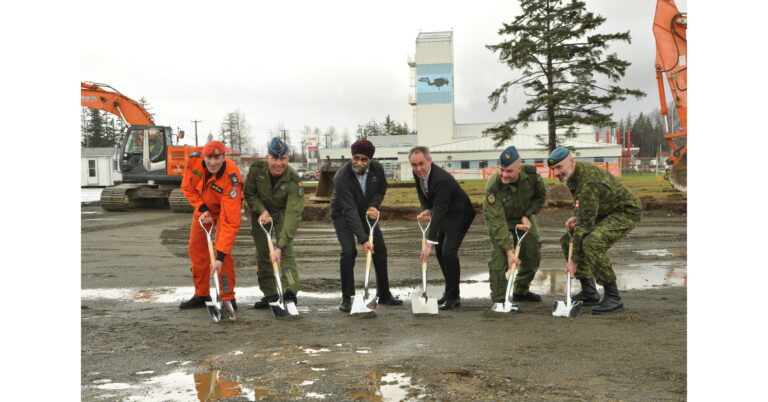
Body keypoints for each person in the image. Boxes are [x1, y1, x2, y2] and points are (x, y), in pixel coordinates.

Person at [547, 147, 642, 314]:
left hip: (625, 211)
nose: (556, 172)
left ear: (571, 162)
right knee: (567, 239)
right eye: (553, 169)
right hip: (603, 210)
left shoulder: (587, 182)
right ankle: (589, 291)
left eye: (559, 167)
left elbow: (586, 225)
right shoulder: (571, 176)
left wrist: (573, 261)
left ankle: (613, 296)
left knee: (592, 241)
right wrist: (576, 216)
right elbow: (581, 204)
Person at [330, 139, 403, 312]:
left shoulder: (377, 168)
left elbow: (381, 189)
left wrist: (373, 205)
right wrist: (363, 240)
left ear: (370, 159)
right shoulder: (341, 176)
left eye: (364, 159)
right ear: (352, 156)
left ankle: (384, 294)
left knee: (380, 249)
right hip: (342, 214)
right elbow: (349, 209)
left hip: (365, 211)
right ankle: (347, 298)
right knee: (349, 251)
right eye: (356, 158)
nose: (359, 163)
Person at [178, 140, 243, 310]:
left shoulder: (232, 178)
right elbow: (187, 188)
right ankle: (201, 294)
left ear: (224, 157)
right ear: (203, 156)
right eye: (209, 158)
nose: (212, 162)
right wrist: (202, 208)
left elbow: (230, 221)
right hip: (204, 208)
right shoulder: (194, 162)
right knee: (196, 249)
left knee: (223, 251)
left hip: (224, 211)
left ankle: (227, 297)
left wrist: (220, 257)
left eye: (217, 158)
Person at [409, 146, 476, 310]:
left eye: (421, 164)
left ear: (430, 160)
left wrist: (428, 244)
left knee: (448, 252)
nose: (418, 168)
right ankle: (448, 291)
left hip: (459, 213)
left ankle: (454, 298)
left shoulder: (441, 179)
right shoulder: (418, 173)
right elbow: (422, 194)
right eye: (414, 165)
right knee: (440, 252)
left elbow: (438, 213)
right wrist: (426, 208)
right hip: (445, 212)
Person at [244, 137, 305, 308]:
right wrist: (261, 210)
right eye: (274, 158)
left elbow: (293, 213)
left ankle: (290, 291)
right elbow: (249, 194)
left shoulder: (293, 179)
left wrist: (280, 246)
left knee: (285, 253)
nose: (279, 163)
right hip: (261, 214)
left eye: (283, 158)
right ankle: (270, 293)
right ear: (267, 157)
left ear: (288, 158)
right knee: (263, 254)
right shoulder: (256, 170)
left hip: (282, 214)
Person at [483, 146, 547, 304]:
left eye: (509, 171)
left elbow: (540, 197)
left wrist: (528, 214)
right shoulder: (494, 186)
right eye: (502, 169)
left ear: (519, 168)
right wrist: (508, 251)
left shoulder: (532, 176)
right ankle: (500, 299)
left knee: (532, 254)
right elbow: (497, 221)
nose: (504, 175)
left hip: (524, 218)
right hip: (501, 220)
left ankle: (521, 291)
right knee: (499, 258)